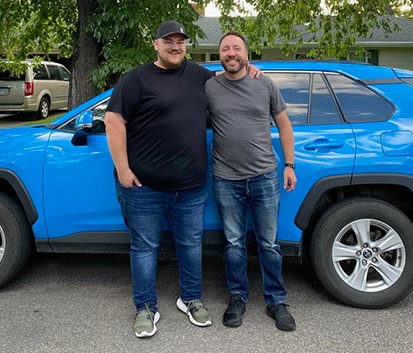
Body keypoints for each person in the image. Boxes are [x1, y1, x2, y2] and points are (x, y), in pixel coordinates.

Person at [104, 21, 260, 338]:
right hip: (144, 187)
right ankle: (145, 308)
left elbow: (229, 80)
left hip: (190, 187)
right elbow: (113, 120)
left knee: (191, 246)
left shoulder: (200, 76)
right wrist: (123, 169)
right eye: (169, 41)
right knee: (144, 249)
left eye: (180, 41)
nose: (176, 46)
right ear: (156, 45)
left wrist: (250, 69)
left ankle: (191, 298)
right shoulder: (136, 79)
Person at [205, 31, 298, 331]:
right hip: (226, 179)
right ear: (219, 55)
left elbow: (284, 125)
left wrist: (290, 165)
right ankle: (237, 297)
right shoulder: (209, 86)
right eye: (225, 49)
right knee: (233, 244)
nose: (231, 53)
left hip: (265, 177)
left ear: (247, 54)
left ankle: (276, 301)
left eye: (237, 48)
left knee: (269, 244)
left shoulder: (264, 83)